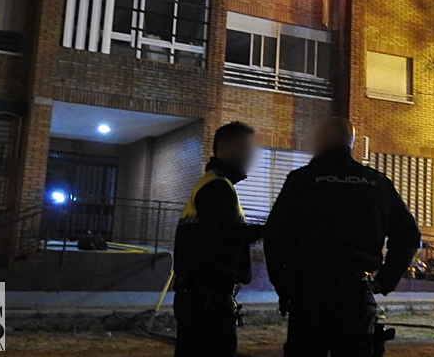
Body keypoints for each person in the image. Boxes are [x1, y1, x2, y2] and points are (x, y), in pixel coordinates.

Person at [265, 117, 421, 357]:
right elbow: (409, 236)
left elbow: (275, 237)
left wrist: (286, 287)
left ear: (323, 140)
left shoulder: (301, 181)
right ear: (351, 143)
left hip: (309, 296)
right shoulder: (377, 183)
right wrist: (384, 281)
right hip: (356, 296)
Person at [174, 121, 264, 357]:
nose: (250, 154)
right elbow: (229, 236)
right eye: (244, 146)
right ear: (223, 148)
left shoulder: (214, 183)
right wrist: (272, 228)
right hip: (207, 296)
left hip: (199, 293)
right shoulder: (217, 187)